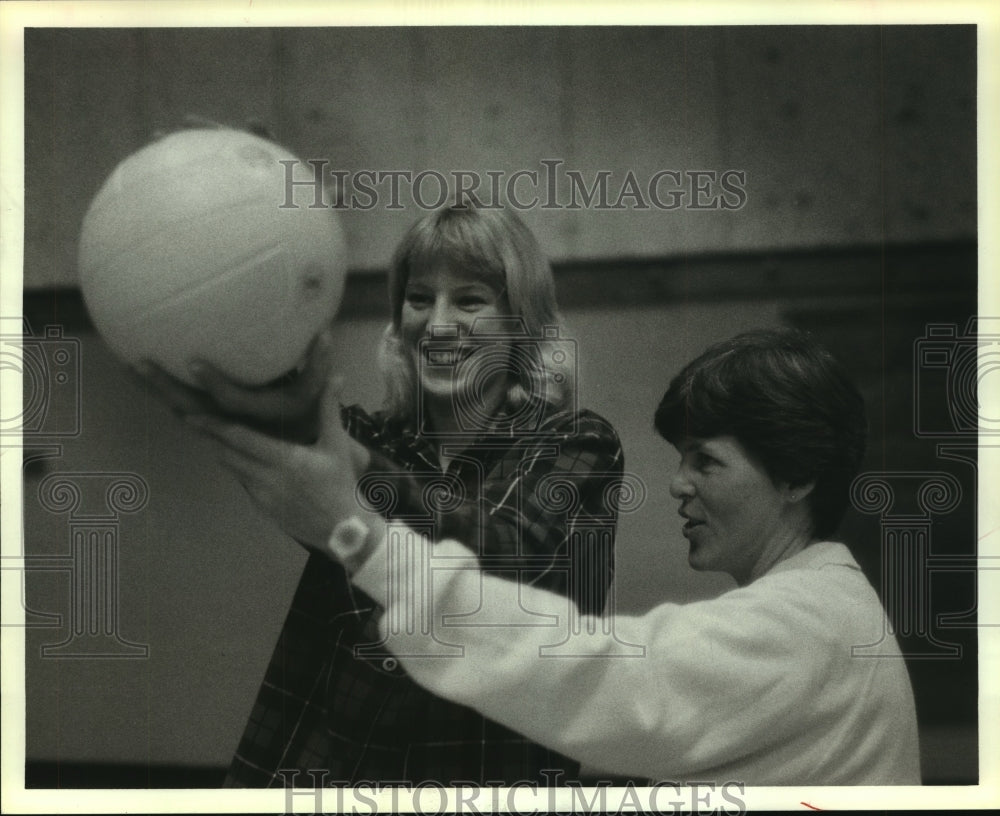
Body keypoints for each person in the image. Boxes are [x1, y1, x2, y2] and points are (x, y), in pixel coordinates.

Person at [211, 327, 920, 786]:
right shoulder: (828, 606)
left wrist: (357, 534)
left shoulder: (809, 626)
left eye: (706, 461)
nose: (678, 484)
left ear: (797, 477)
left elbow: (594, 673)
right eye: (681, 459)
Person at [150, 201, 625, 786]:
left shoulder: (576, 443)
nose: (438, 324)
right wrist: (231, 258)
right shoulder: (369, 437)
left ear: (520, 322)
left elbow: (500, 558)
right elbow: (265, 396)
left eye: (470, 300)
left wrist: (357, 475)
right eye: (419, 298)